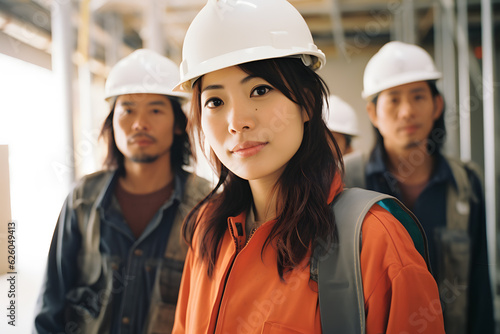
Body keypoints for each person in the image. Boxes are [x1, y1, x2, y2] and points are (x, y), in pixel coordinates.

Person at [171, 1, 445, 333]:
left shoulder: (374, 242)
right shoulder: (206, 231)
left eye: (260, 90)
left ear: (307, 103)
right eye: (215, 101)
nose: (237, 122)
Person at [33, 49, 211, 334]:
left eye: (155, 109)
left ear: (179, 124)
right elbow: (51, 304)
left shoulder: (205, 205)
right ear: (112, 123)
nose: (140, 123)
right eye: (127, 109)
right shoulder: (83, 200)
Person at [362, 41, 494, 334]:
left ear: (437, 105)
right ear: (373, 113)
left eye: (418, 96)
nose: (407, 111)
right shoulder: (349, 181)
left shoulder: (465, 182)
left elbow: (479, 282)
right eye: (393, 100)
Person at [325, 95, 365, 188]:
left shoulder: (360, 176)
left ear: (348, 147)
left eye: (333, 139)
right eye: (319, 138)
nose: (325, 146)